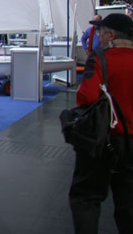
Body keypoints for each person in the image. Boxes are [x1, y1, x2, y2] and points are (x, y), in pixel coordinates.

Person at [69, 13, 133, 233]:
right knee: (128, 203)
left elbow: (86, 97)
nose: (99, 37)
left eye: (101, 32)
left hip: (102, 141)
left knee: (86, 198)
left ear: (111, 35)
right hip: (131, 145)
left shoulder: (99, 59)